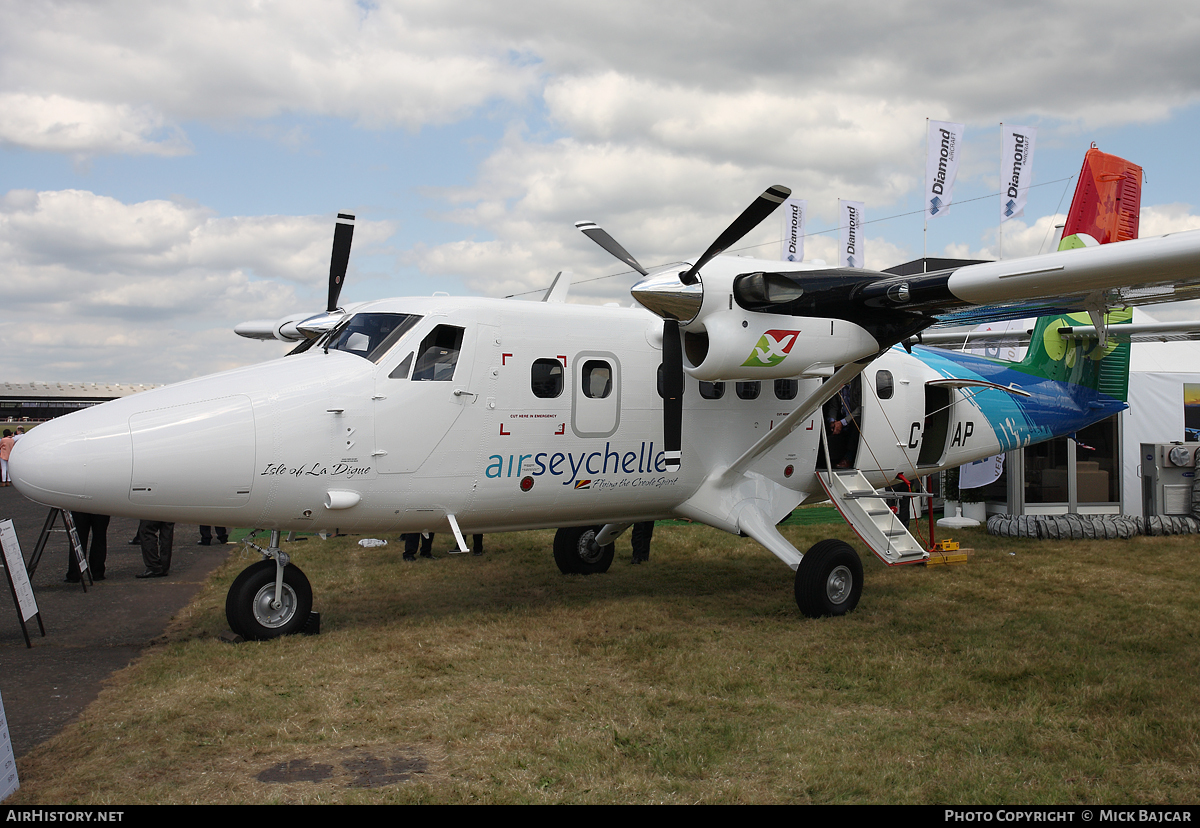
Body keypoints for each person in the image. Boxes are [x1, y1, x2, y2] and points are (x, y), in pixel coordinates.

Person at [66, 511, 110, 582]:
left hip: (81, 505)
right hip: (101, 505)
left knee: (79, 539)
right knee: (99, 537)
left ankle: (74, 573)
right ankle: (97, 573)